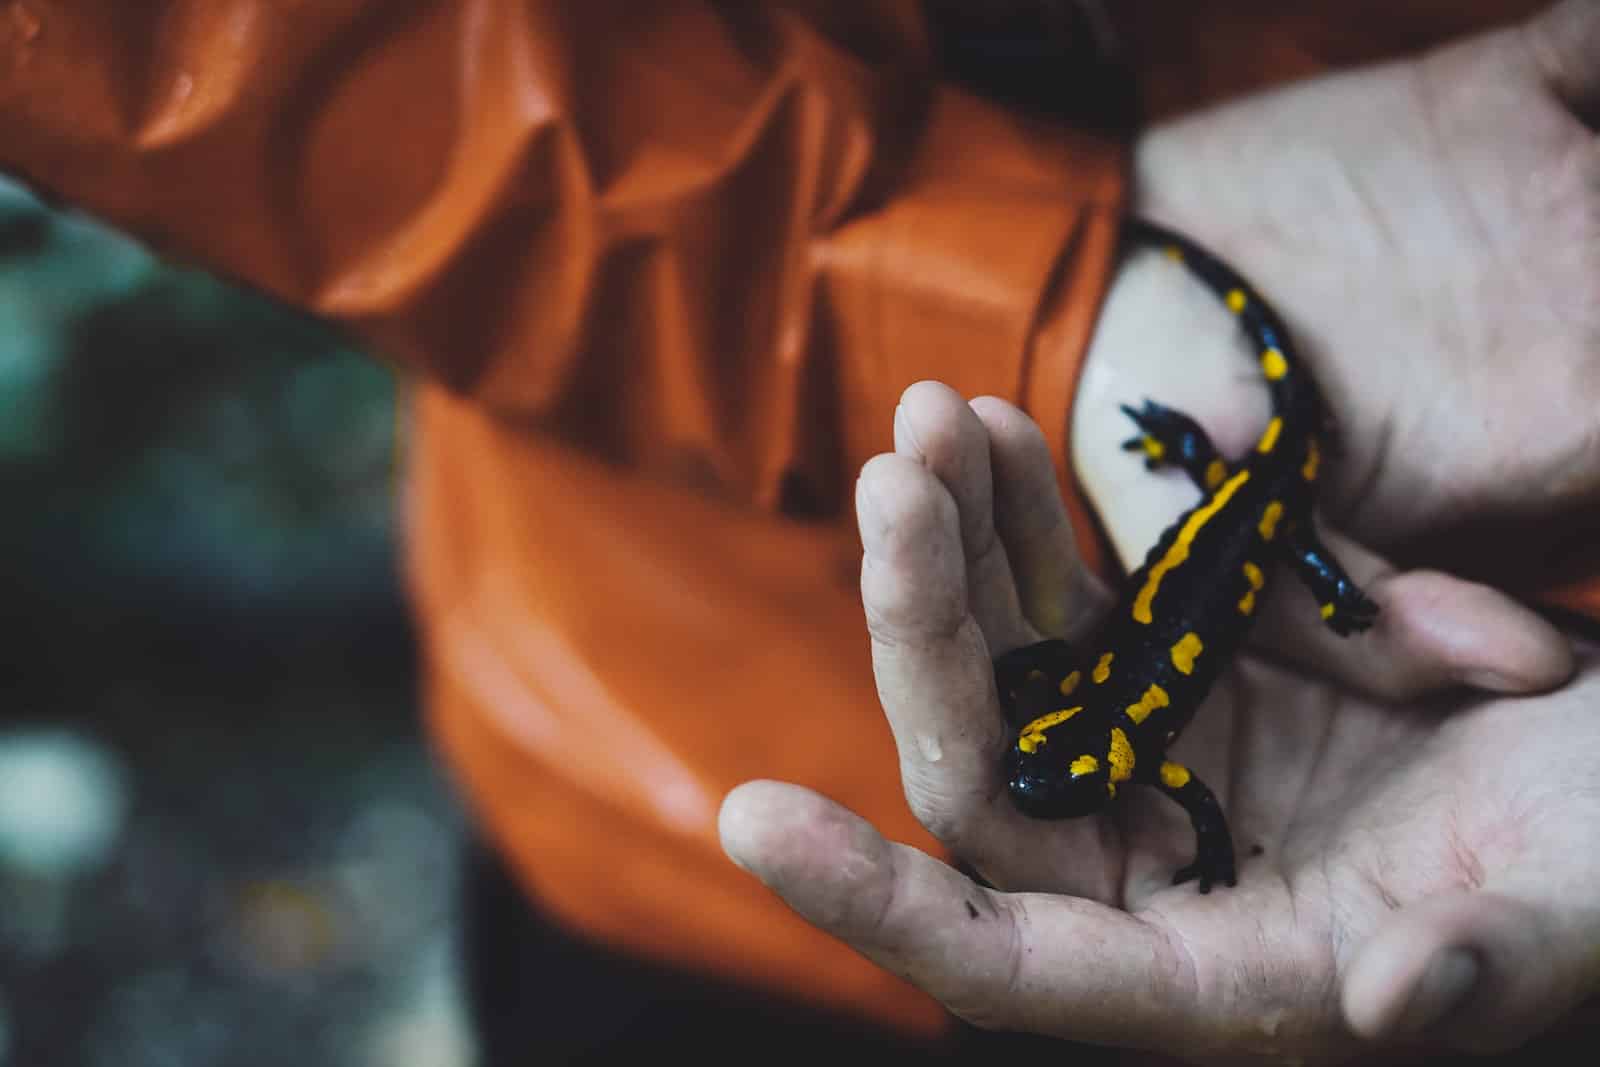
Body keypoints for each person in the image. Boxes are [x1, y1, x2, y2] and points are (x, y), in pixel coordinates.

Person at [1, 0, 1593, 1061]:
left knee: (1301, 555)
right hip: (645, 781)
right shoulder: (1124, 736)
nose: (1048, 770)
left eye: (1057, 763)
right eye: (1058, 764)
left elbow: (1150, 760)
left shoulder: (1125, 735)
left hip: (1393, 676)